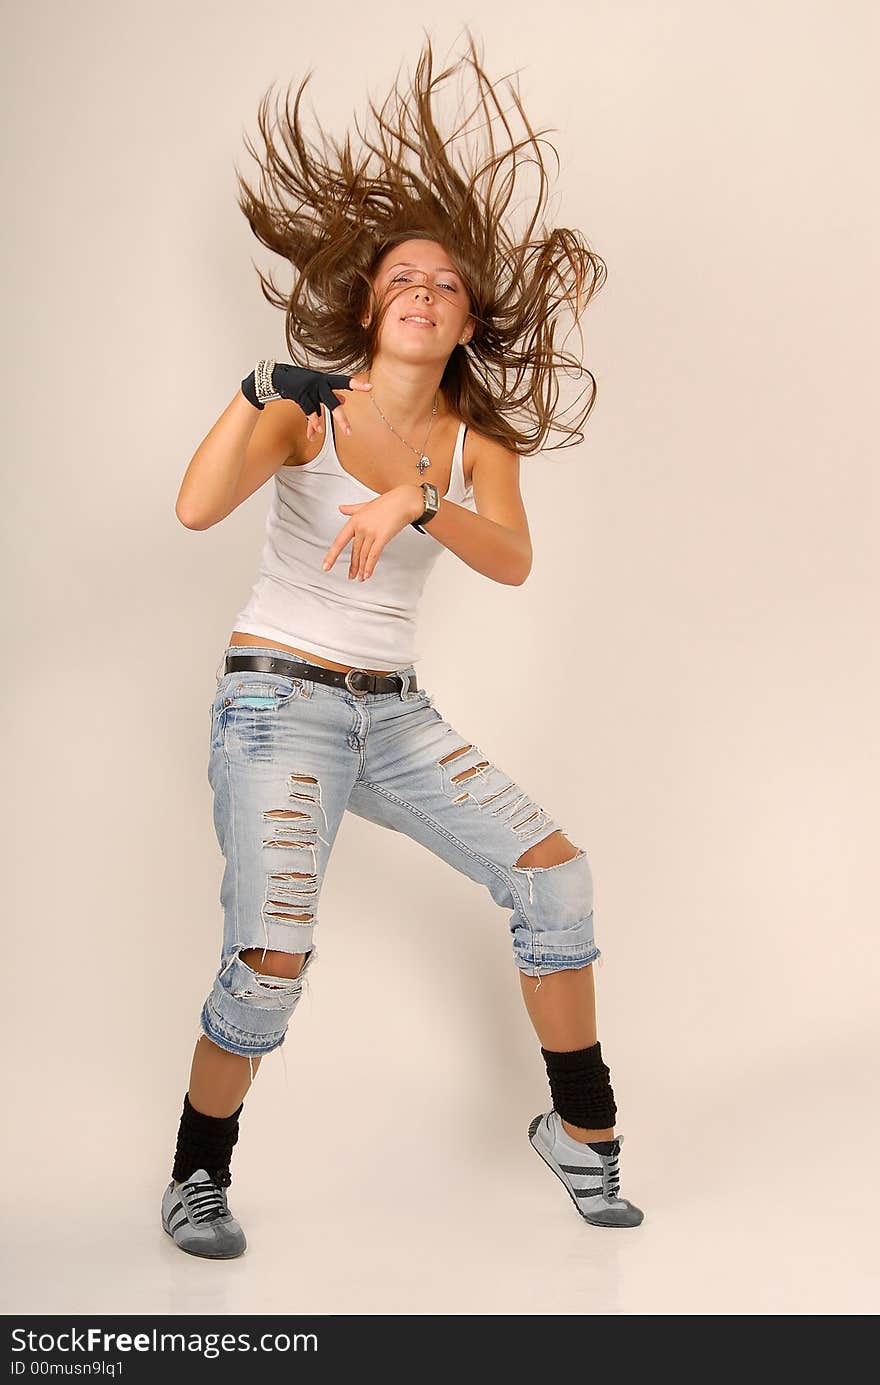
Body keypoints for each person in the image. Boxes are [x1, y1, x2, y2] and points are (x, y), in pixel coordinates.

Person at [161, 30, 644, 1260]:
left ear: (468, 316)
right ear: (371, 305)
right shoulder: (308, 409)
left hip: (395, 712)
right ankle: (196, 1175)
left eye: (442, 283)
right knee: (273, 951)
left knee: (554, 873)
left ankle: (580, 1132)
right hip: (276, 702)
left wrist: (420, 500)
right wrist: (250, 387)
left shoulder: (480, 442)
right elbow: (195, 508)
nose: (422, 293)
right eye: (400, 281)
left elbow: (513, 557)